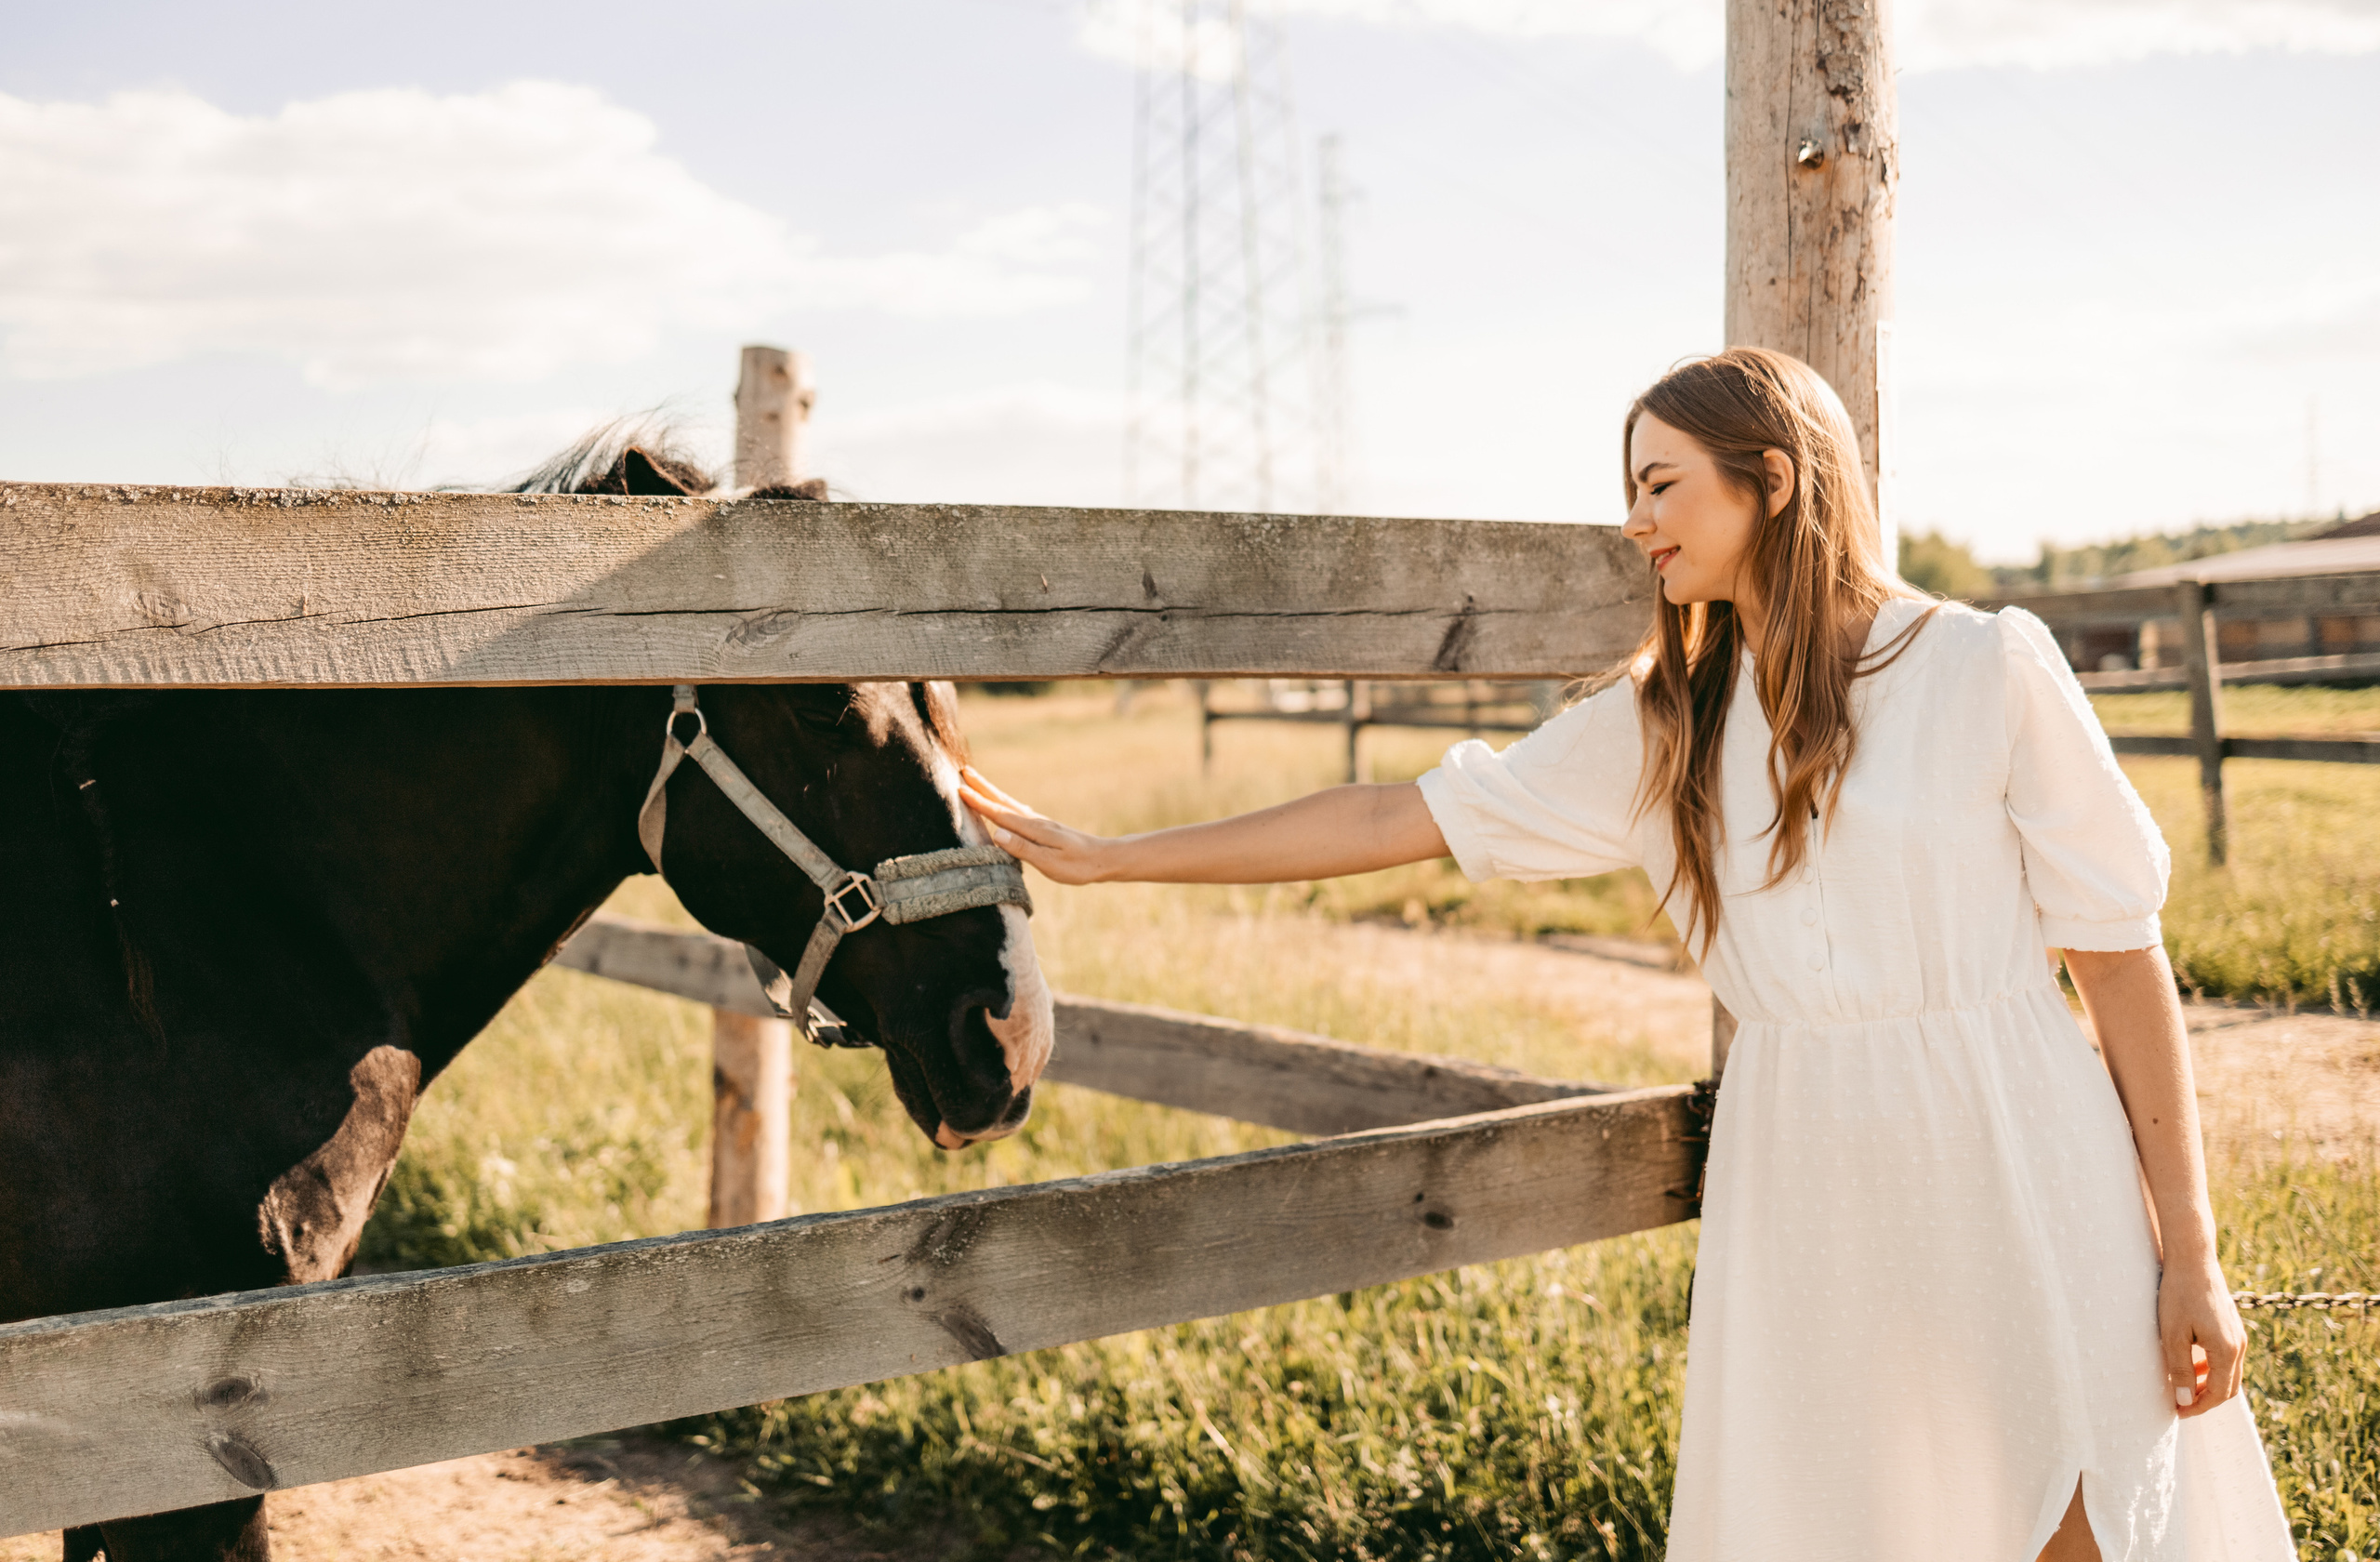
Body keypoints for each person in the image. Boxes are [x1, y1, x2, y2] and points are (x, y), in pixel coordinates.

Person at [961, 348, 2295, 1561]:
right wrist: (1114, 855)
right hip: (1813, 1178)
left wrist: (2190, 1251)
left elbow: (2119, 959)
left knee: (2082, 1511)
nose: (1635, 520)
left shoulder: (1985, 666)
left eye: (1662, 485)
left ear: (1772, 482)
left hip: (2020, 1148)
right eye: (1632, 490)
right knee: (1866, 1516)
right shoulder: (1665, 727)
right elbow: (1389, 817)